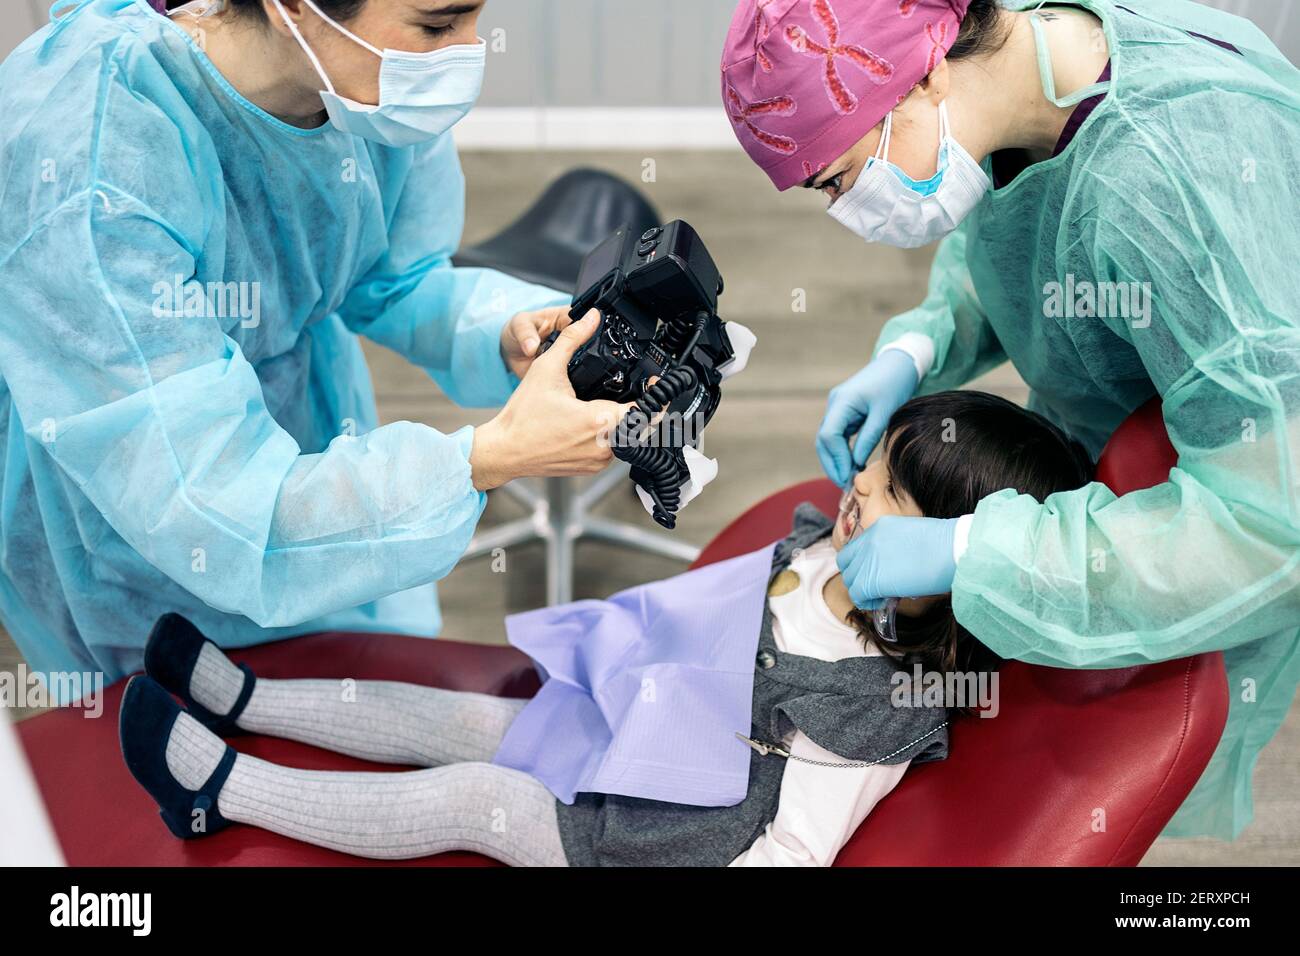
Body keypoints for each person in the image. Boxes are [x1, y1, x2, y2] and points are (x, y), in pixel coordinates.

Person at [721, 0, 1300, 840]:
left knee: (1121, 748)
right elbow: (1020, 240)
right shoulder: (1026, 67)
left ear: (922, 76)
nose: (847, 207)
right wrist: (918, 349)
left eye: (839, 180)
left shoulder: (1169, 181)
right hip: (1122, 440)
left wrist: (972, 551)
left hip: (1244, 492)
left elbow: (1268, 527)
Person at [119, 391, 1092, 865]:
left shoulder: (871, 707)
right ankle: (247, 697)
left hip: (643, 831)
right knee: (468, 718)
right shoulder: (829, 553)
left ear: (965, 569)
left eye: (893, 497)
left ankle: (220, 789)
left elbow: (794, 849)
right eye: (872, 464)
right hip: (621, 727)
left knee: (471, 795)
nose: (858, 491)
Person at [0, 0, 632, 684]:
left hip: (310, 424)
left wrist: (503, 331)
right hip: (142, 534)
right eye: (437, 25)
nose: (467, 52)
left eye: (476, 16)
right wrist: (483, 459)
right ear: (291, 8)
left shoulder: (366, 91)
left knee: (354, 688)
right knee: (183, 739)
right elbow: (220, 507)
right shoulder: (97, 168)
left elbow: (394, 275)